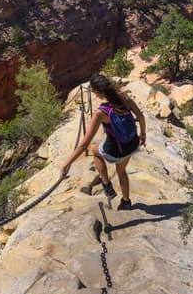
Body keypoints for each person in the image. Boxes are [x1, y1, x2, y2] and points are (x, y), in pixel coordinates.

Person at [61, 73, 146, 210]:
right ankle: (126, 202)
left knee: (95, 151)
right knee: (121, 171)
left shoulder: (101, 113)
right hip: (132, 143)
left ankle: (106, 184)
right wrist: (143, 135)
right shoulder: (125, 98)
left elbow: (83, 145)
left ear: (97, 91)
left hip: (116, 149)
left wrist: (67, 163)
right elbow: (141, 117)